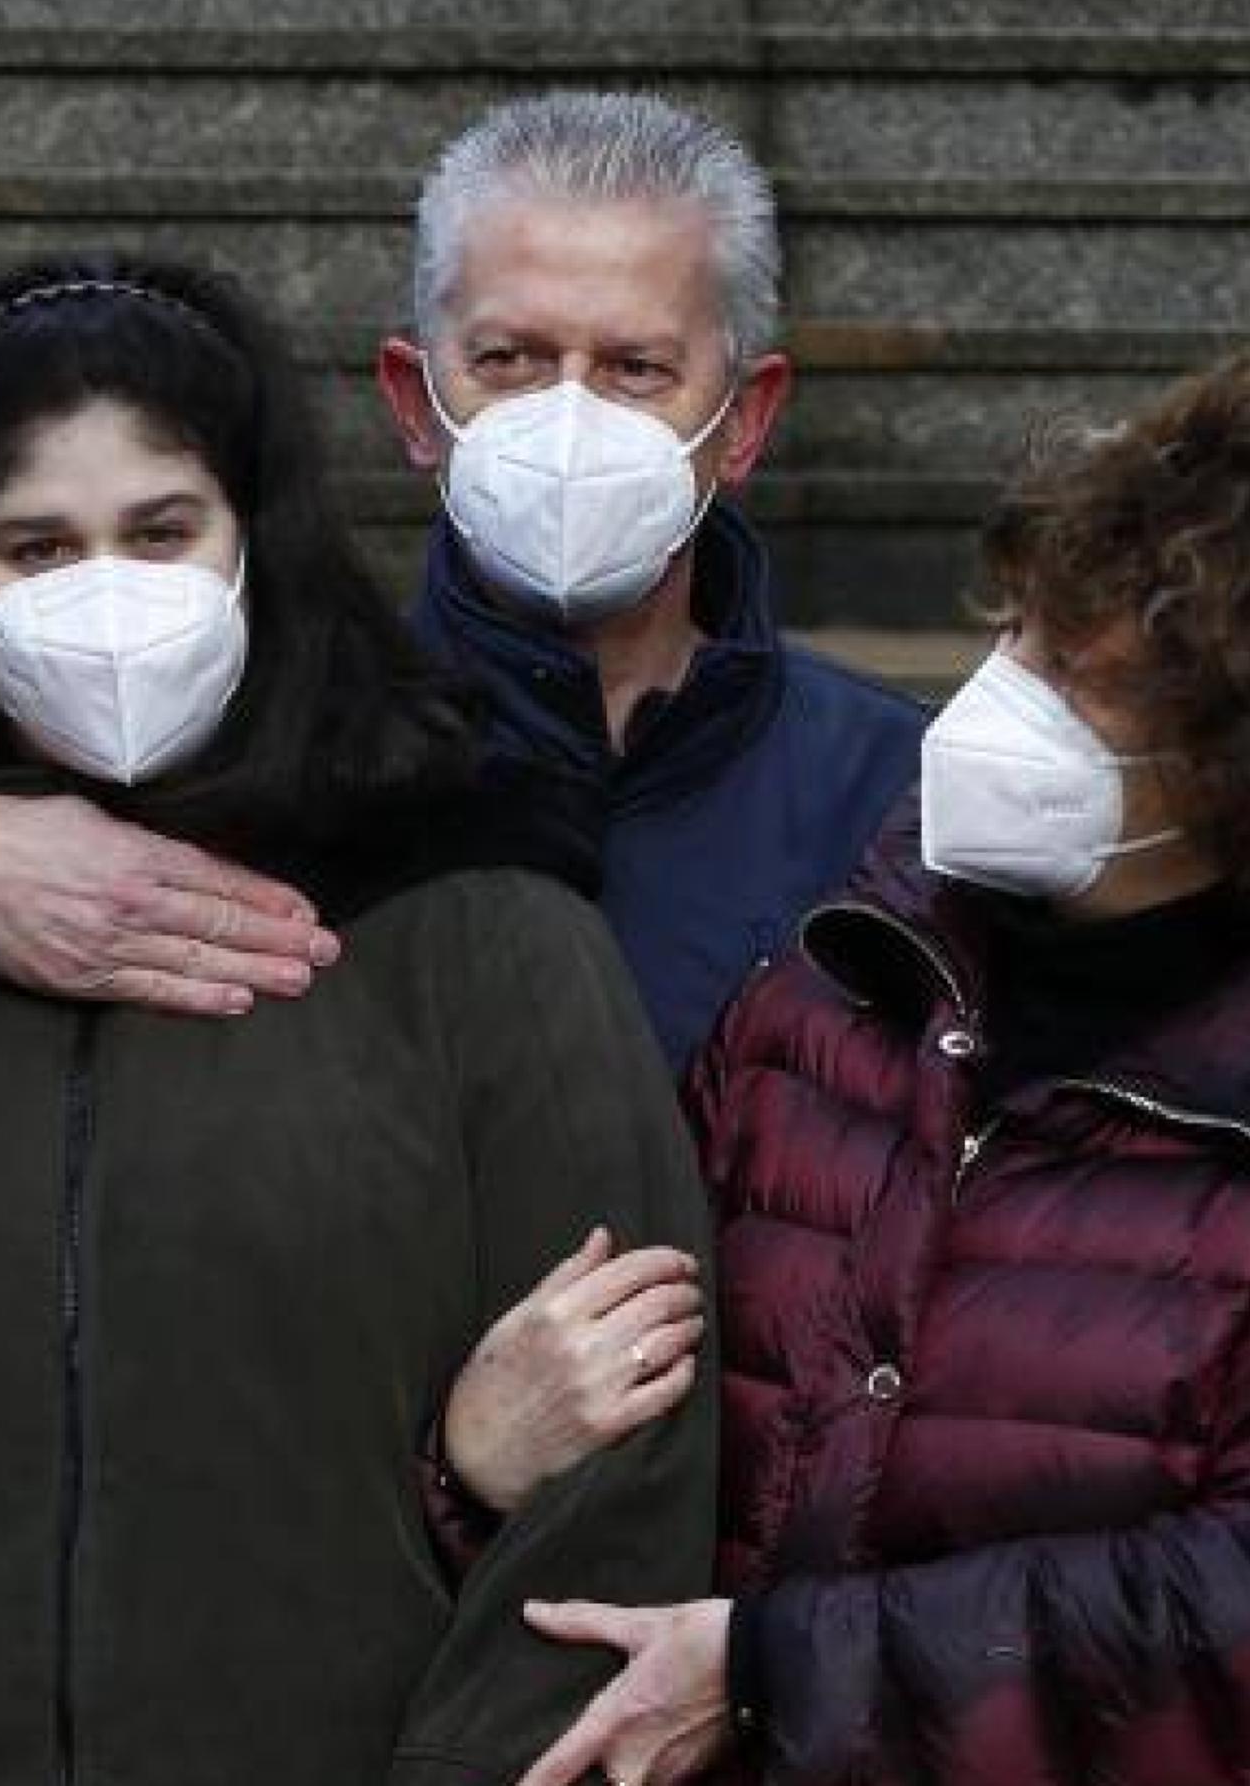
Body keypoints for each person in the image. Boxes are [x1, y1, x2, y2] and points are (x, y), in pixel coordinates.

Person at [0, 251, 719, 1786]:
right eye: (37, 544)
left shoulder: (474, 918)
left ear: (249, 540)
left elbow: (629, 1463)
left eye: (160, 530)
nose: (107, 593)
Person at [0, 90, 924, 1077]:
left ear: (742, 420)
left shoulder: (900, 787)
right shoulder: (287, 732)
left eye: (634, 368)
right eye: (509, 360)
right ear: (415, 397)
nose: (565, 419)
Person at [495, 355, 1250, 1786]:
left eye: (1084, 688)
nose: (1000, 702)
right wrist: (476, 1458)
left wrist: (780, 1669)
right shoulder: (834, 990)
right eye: (1018, 634)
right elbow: (627, 1394)